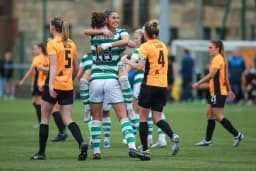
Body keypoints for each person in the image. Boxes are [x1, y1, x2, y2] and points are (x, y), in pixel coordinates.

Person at [86, 12, 143, 160]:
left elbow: (87, 31)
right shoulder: (118, 34)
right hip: (111, 79)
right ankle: (132, 147)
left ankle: (96, 151)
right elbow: (128, 43)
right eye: (114, 18)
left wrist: (103, 34)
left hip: (96, 79)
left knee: (96, 117)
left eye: (118, 17)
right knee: (123, 116)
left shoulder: (94, 35)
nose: (117, 20)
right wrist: (121, 41)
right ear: (106, 20)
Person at [31, 16, 88, 160]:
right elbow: (76, 66)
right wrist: (70, 80)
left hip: (54, 85)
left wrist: (50, 85)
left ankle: (41, 153)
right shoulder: (71, 43)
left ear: (52, 28)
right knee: (68, 118)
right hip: (67, 86)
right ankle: (81, 142)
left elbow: (54, 66)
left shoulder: (52, 43)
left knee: (44, 118)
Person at [123, 19, 180, 160]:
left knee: (142, 118)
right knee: (157, 118)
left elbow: (139, 67)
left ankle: (146, 150)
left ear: (145, 34)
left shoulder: (145, 46)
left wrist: (127, 61)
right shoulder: (163, 46)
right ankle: (173, 135)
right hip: (162, 86)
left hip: (149, 84)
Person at [192, 40, 244, 147]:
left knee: (218, 116)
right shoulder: (218, 59)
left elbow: (211, 75)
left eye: (210, 47)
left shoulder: (218, 59)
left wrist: (198, 82)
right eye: (208, 47)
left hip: (218, 92)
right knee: (209, 114)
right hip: (214, 92)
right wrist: (229, 90)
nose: (208, 50)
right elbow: (225, 77)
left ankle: (237, 135)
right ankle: (207, 140)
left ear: (217, 49)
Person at [123, 29, 167, 148]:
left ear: (143, 38)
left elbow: (132, 64)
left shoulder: (141, 49)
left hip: (144, 82)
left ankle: (144, 137)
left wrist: (124, 72)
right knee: (156, 112)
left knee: (139, 111)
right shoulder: (158, 47)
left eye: (137, 38)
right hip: (159, 82)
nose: (135, 40)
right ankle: (161, 138)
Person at [19, 43, 50, 125]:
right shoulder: (47, 58)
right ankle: (42, 121)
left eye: (35, 49)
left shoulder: (37, 58)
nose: (33, 51)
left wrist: (23, 80)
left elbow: (30, 71)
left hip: (38, 83)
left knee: (38, 102)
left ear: (40, 49)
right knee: (35, 101)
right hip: (45, 83)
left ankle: (42, 122)